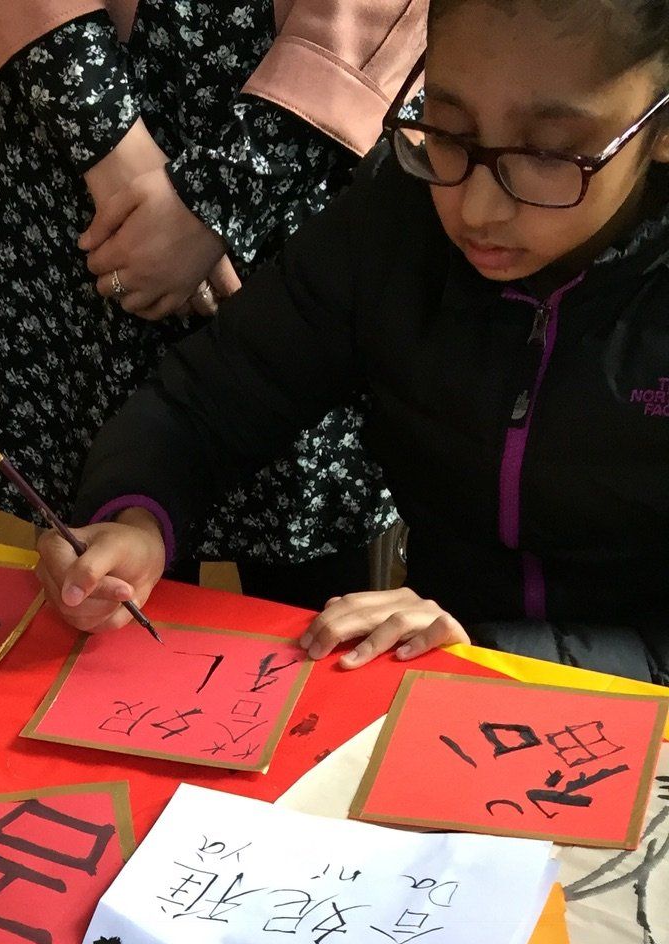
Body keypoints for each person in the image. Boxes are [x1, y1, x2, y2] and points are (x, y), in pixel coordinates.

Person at [37, 0, 669, 684]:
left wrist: (498, 653)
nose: (478, 209)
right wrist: (135, 519)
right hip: (440, 670)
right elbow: (210, 396)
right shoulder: (395, 219)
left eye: (546, 154)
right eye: (447, 131)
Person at [0, 0, 425, 610]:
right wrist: (109, 146)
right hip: (70, 106)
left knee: (312, 588)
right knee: (105, 562)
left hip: (315, 130)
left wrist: (230, 184)